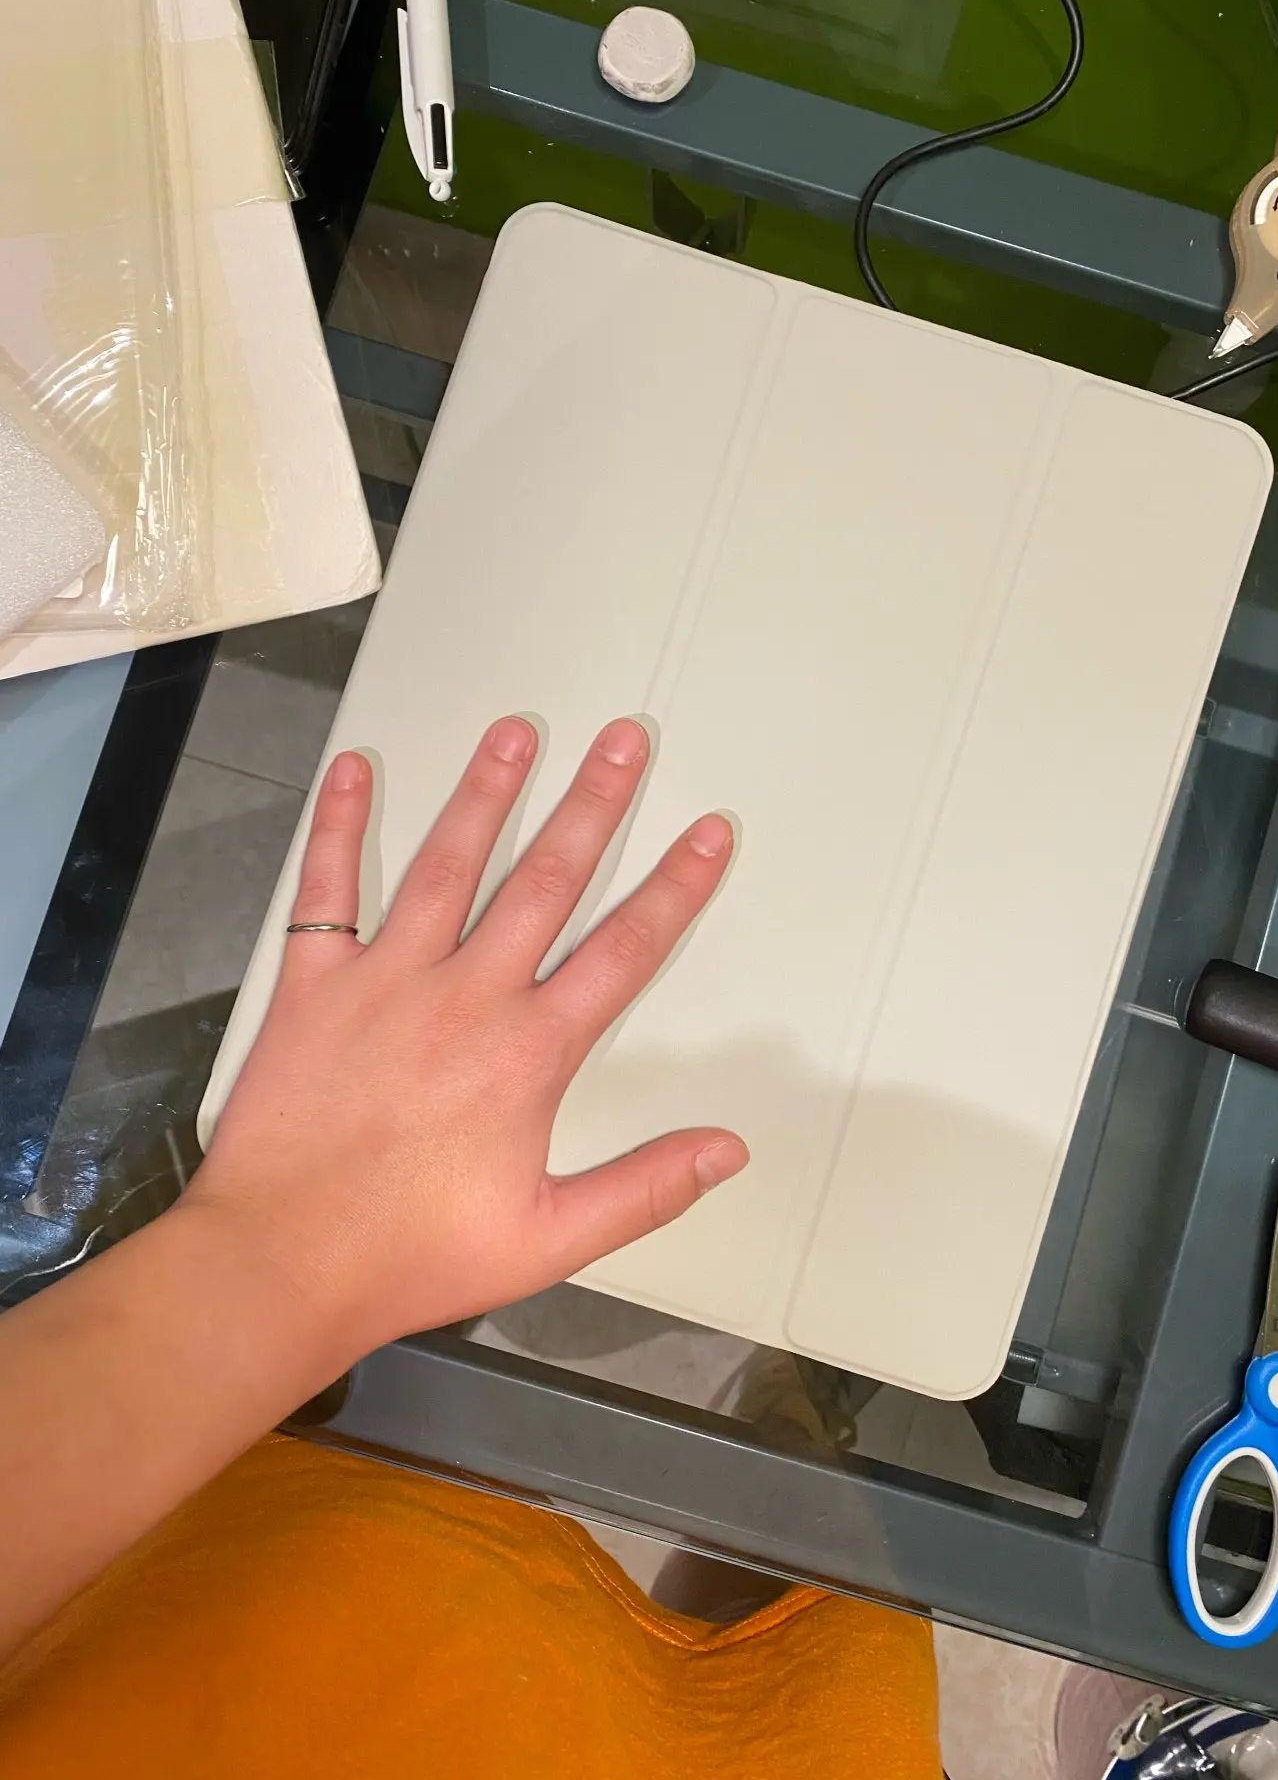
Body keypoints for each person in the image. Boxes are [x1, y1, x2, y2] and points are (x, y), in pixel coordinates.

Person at [0, 716, 944, 1776]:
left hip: (219, 1561)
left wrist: (294, 1248)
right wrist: (287, 1253)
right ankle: (792, 1419)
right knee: (790, 1566)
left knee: (771, 1557)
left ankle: (771, 1419)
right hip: (634, 1722)